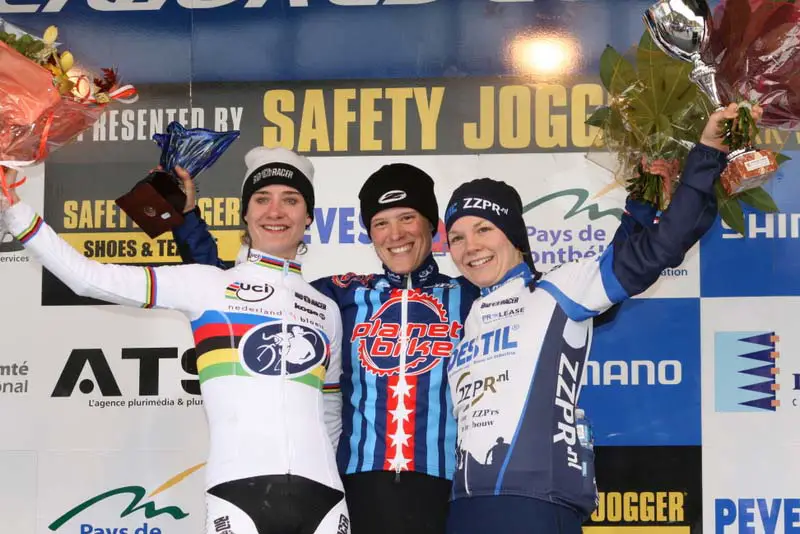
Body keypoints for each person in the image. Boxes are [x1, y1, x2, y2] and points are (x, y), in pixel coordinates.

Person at [0, 147, 350, 534]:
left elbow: (329, 408)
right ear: (245, 213)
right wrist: (15, 209)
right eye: (262, 199)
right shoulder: (206, 284)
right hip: (238, 494)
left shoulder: (325, 308)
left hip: (327, 499)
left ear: (309, 216)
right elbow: (88, 277)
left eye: (291, 200)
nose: (275, 211)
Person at [441, 103, 750, 534]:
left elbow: (656, 250)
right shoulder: (466, 312)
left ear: (513, 235)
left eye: (483, 229)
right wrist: (642, 198)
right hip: (465, 508)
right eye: (456, 236)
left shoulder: (558, 289)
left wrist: (707, 154)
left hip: (536, 508)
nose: (469, 245)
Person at [171, 162, 480, 534]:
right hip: (358, 489)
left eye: (408, 217)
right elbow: (236, 290)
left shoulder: (470, 296)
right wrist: (187, 218)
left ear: (431, 225)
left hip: (447, 488)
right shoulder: (339, 294)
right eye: (381, 223)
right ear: (370, 234)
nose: (395, 234)